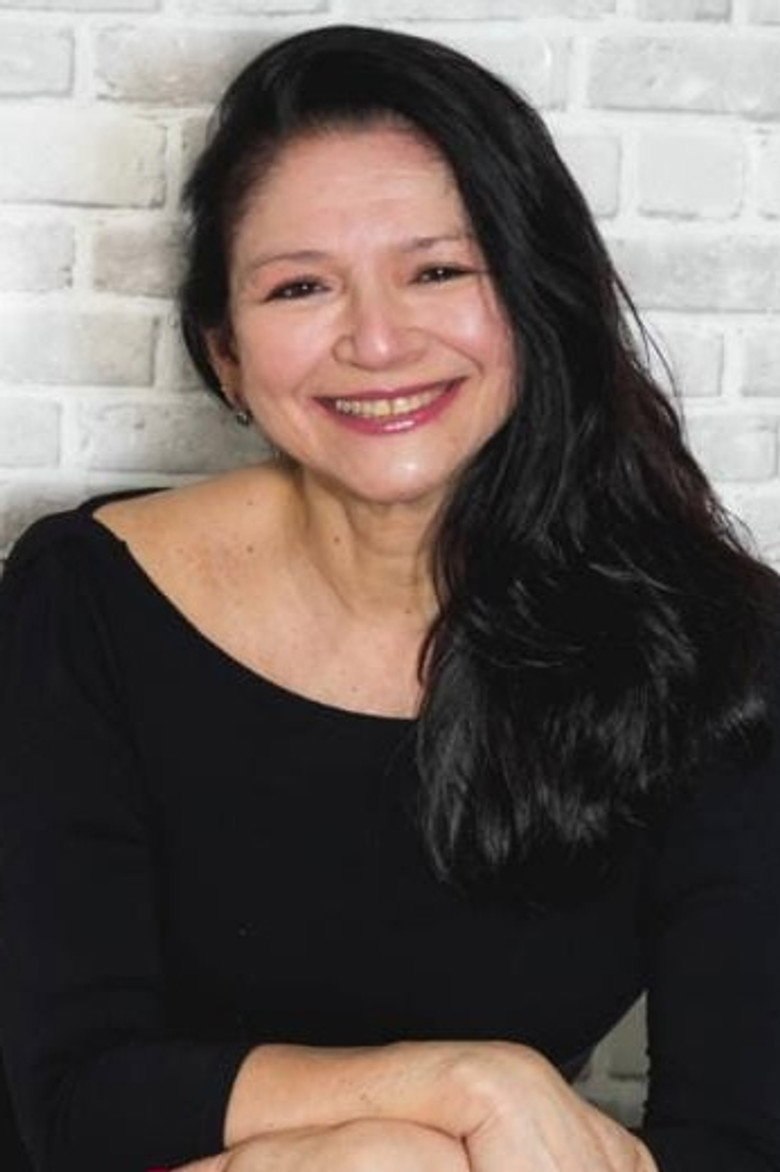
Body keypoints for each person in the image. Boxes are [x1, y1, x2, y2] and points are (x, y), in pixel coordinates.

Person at [0, 21, 779, 1172]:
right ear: (225, 352)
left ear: (538, 297)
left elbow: (741, 1132)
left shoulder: (720, 646)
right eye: (301, 285)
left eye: (438, 270)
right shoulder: (85, 595)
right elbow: (71, 1097)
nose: (376, 340)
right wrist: (463, 1083)